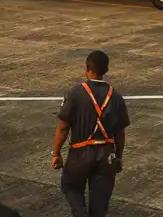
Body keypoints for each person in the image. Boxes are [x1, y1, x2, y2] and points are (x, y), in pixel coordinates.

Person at [51, 50, 130, 217]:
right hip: (106, 155)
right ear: (106, 70)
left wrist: (56, 153)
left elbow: (63, 127)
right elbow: (120, 133)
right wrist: (118, 157)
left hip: (80, 155)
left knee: (70, 186)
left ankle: (80, 213)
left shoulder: (75, 93)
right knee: (99, 205)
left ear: (87, 68)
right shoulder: (116, 97)